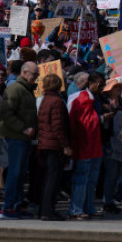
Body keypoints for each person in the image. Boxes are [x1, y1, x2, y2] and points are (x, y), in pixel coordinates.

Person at [0, 60, 38, 219]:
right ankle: (8, 207)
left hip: (23, 137)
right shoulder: (15, 89)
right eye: (34, 74)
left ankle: (16, 205)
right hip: (16, 137)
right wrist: (23, 128)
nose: (36, 77)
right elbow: (6, 113)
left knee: (20, 173)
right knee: (15, 173)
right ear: (25, 73)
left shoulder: (25, 89)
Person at [68, 71, 105, 219]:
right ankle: (76, 209)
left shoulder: (91, 98)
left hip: (93, 146)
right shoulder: (82, 99)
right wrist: (102, 118)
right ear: (92, 83)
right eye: (100, 85)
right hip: (85, 146)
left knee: (90, 180)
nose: (101, 88)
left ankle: (87, 207)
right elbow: (86, 123)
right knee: (82, 179)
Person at [36, 73, 71, 221]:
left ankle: (44, 209)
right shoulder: (56, 101)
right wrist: (66, 145)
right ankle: (48, 211)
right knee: (52, 178)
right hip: (53, 144)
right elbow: (57, 126)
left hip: (44, 143)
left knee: (48, 178)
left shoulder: (45, 99)